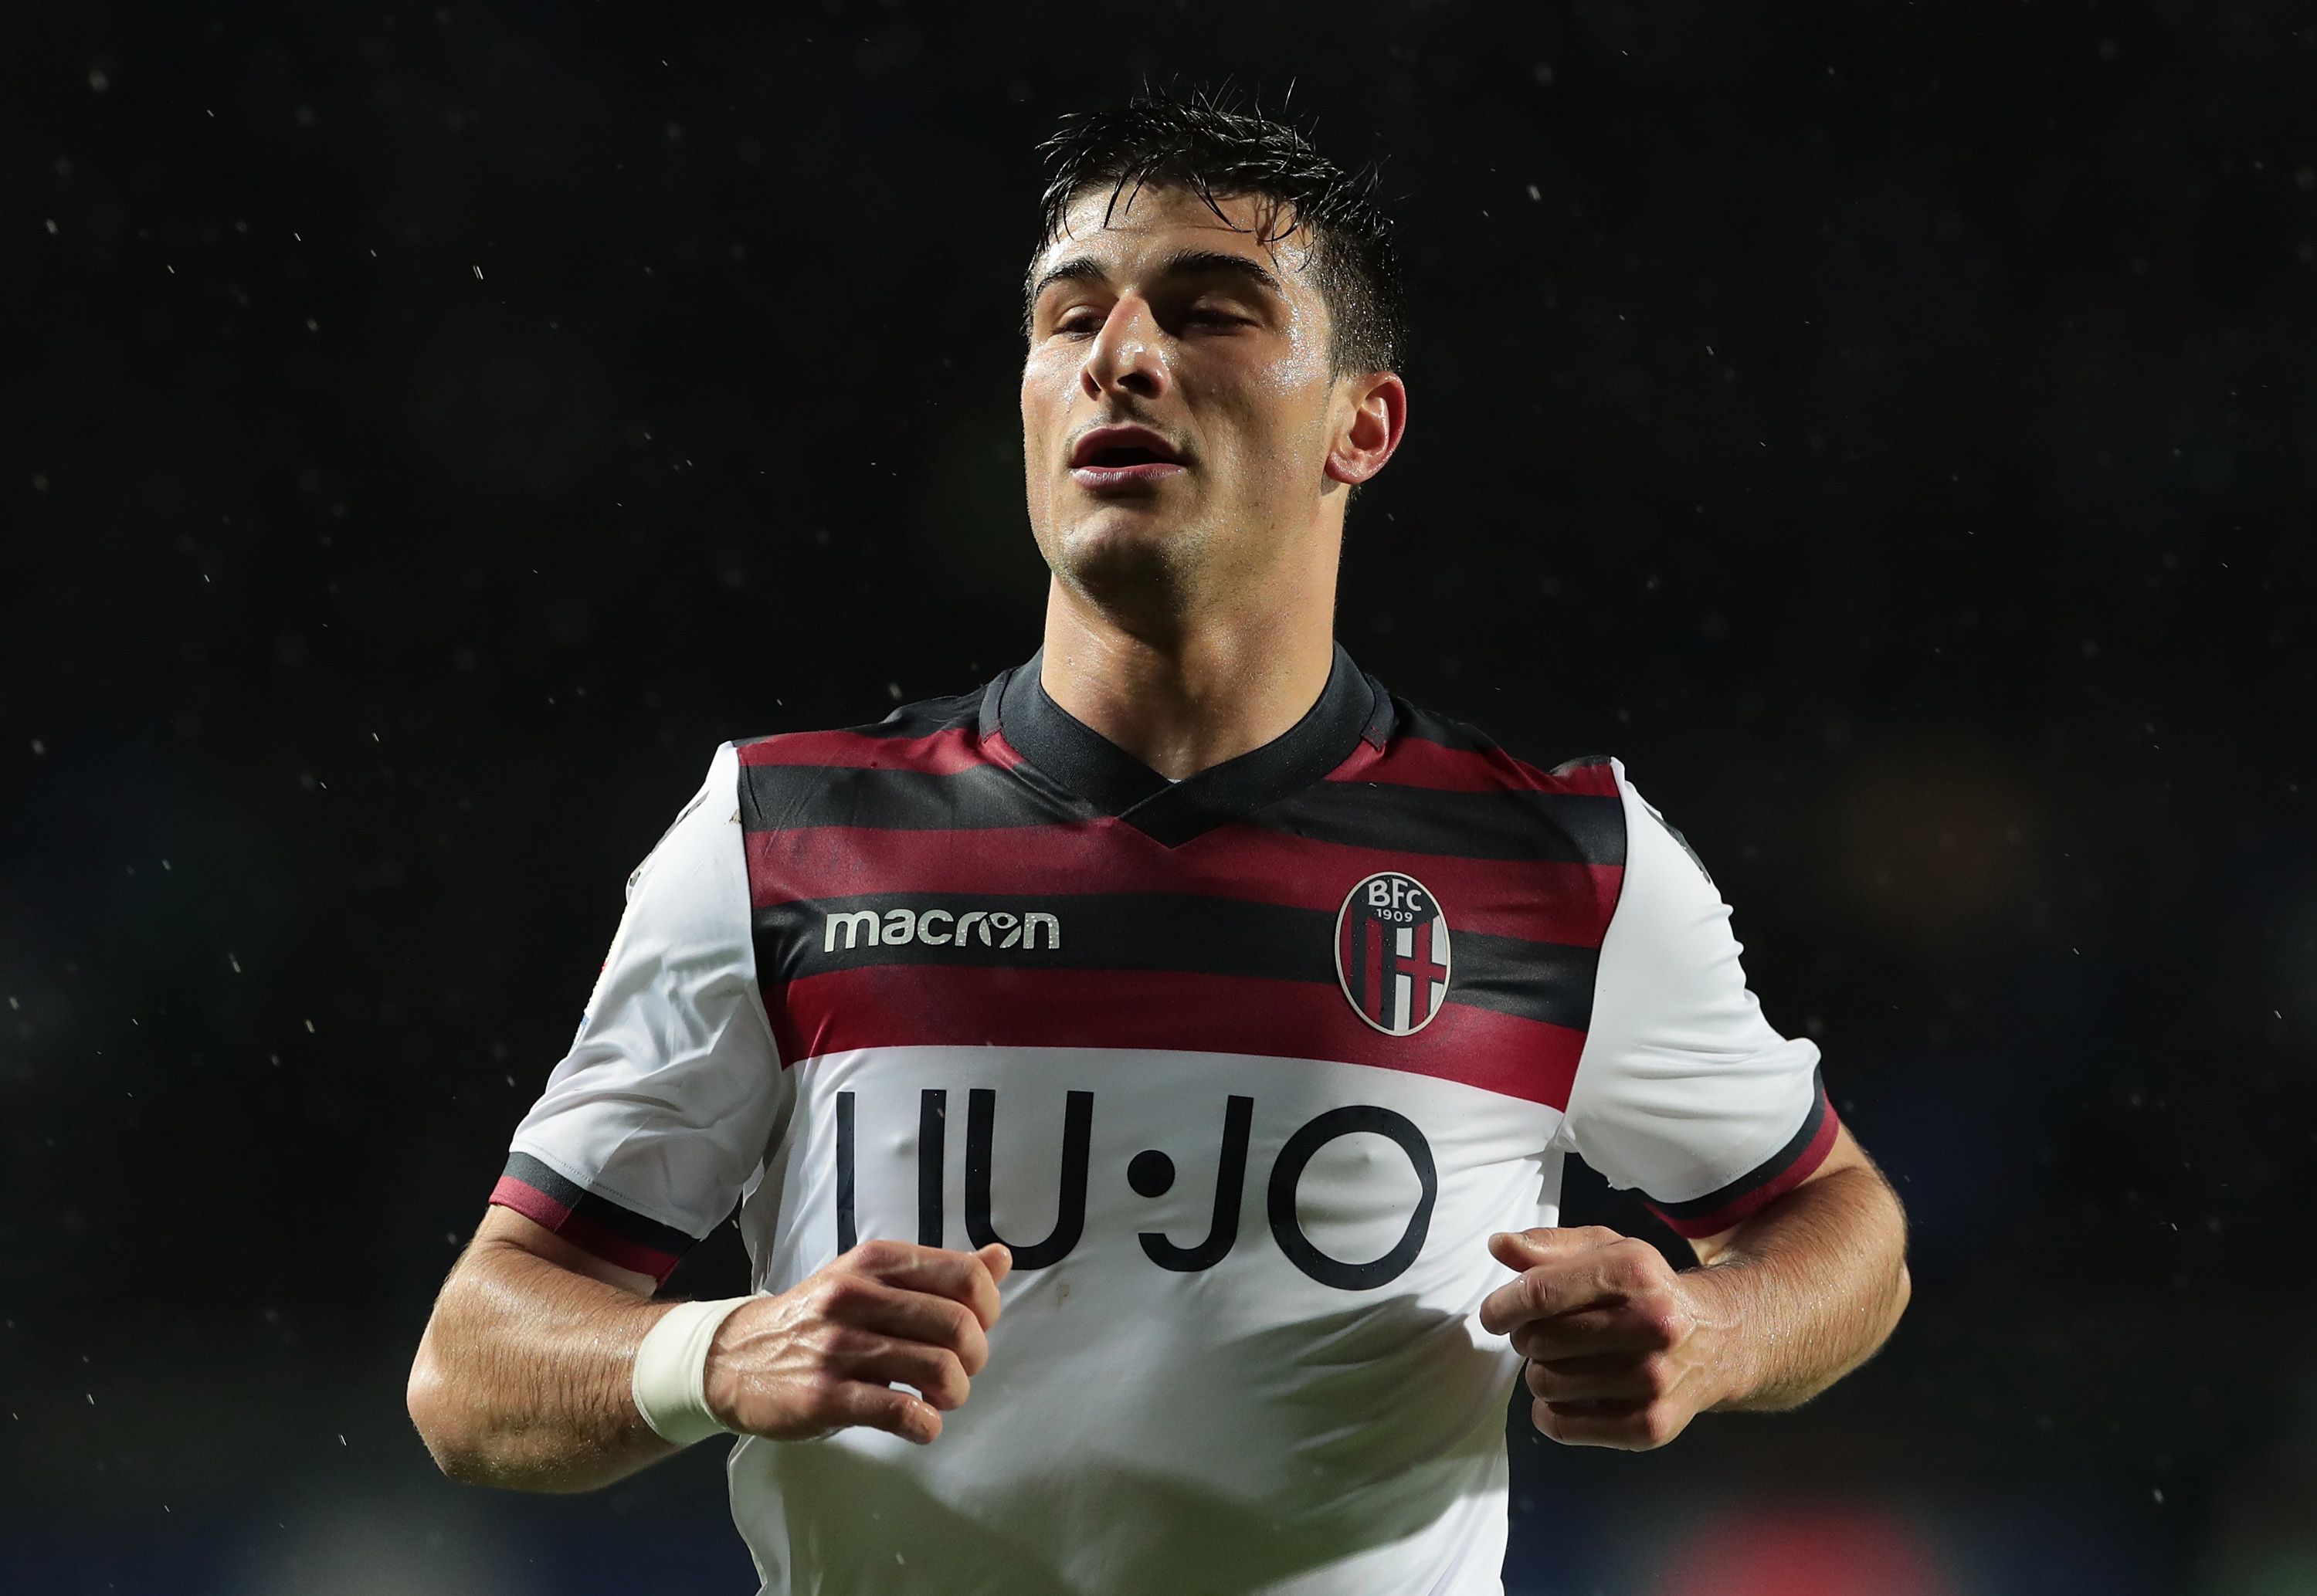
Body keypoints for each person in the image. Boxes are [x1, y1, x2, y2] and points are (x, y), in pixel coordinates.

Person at [406, 93, 1910, 1594]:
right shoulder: (784, 834)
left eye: (1209, 312)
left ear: (1361, 425)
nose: (1120, 358)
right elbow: (470, 1367)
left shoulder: (1557, 863)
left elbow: (1843, 1230)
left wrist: (1719, 1332)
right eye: (1069, 321)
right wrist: (717, 1346)